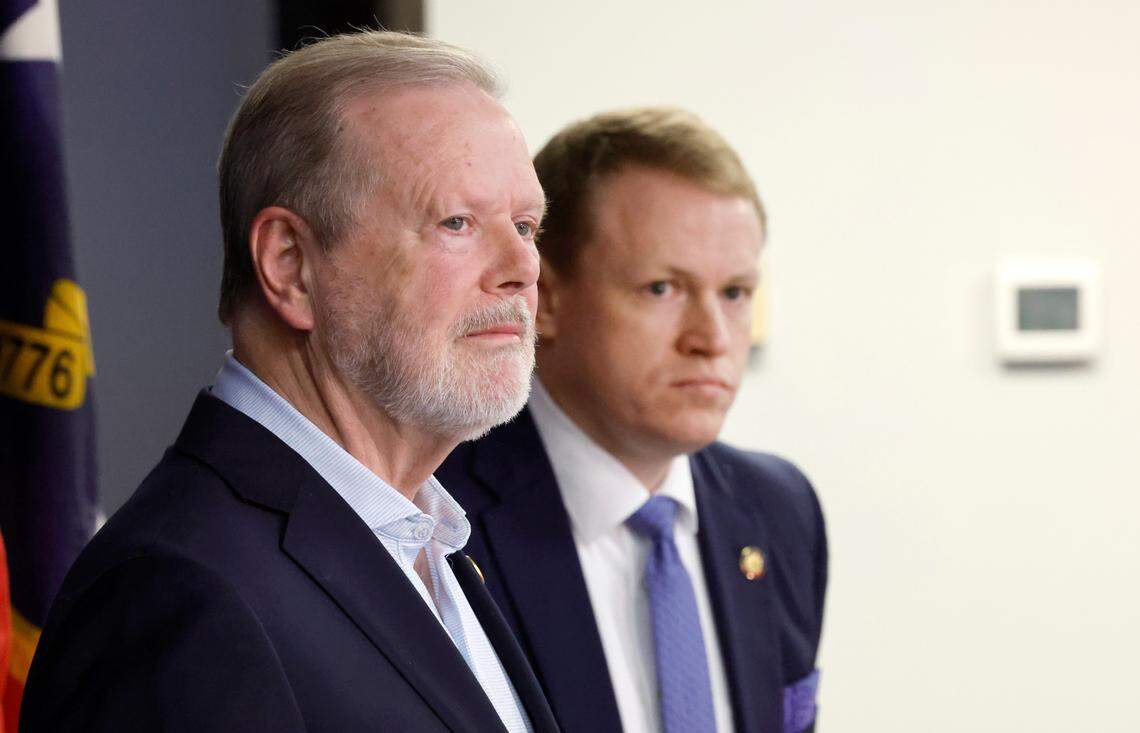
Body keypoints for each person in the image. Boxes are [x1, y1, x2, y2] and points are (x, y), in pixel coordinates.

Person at [21, 31, 558, 733]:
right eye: (456, 222)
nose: (523, 268)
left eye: (525, 225)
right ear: (289, 265)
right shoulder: (177, 591)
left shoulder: (429, 540)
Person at [437, 107, 828, 733]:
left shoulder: (779, 508)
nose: (712, 339)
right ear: (546, 298)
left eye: (734, 293)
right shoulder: (437, 516)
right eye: (662, 288)